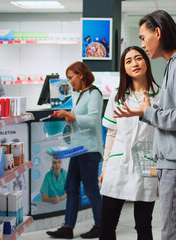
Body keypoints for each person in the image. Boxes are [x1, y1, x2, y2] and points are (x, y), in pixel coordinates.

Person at [113, 10, 176, 240]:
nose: (143, 44)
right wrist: (148, 111)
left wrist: (148, 112)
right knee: (175, 229)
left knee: (174, 233)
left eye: (143, 37)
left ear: (157, 33)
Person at [99, 46, 160, 240]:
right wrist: (105, 167)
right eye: (128, 61)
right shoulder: (117, 96)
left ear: (146, 62)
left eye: (138, 58)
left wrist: (161, 172)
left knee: (143, 225)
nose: (134, 63)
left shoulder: (160, 96)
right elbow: (111, 134)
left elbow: (163, 135)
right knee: (107, 225)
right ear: (123, 68)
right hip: (118, 163)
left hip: (148, 163)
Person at [46, 61, 103, 239]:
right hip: (78, 148)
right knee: (70, 186)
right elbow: (80, 118)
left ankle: (101, 226)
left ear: (81, 74)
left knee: (91, 189)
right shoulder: (79, 94)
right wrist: (70, 119)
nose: (70, 82)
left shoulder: (95, 93)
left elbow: (93, 120)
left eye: (71, 78)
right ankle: (68, 228)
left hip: (89, 149)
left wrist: (70, 115)